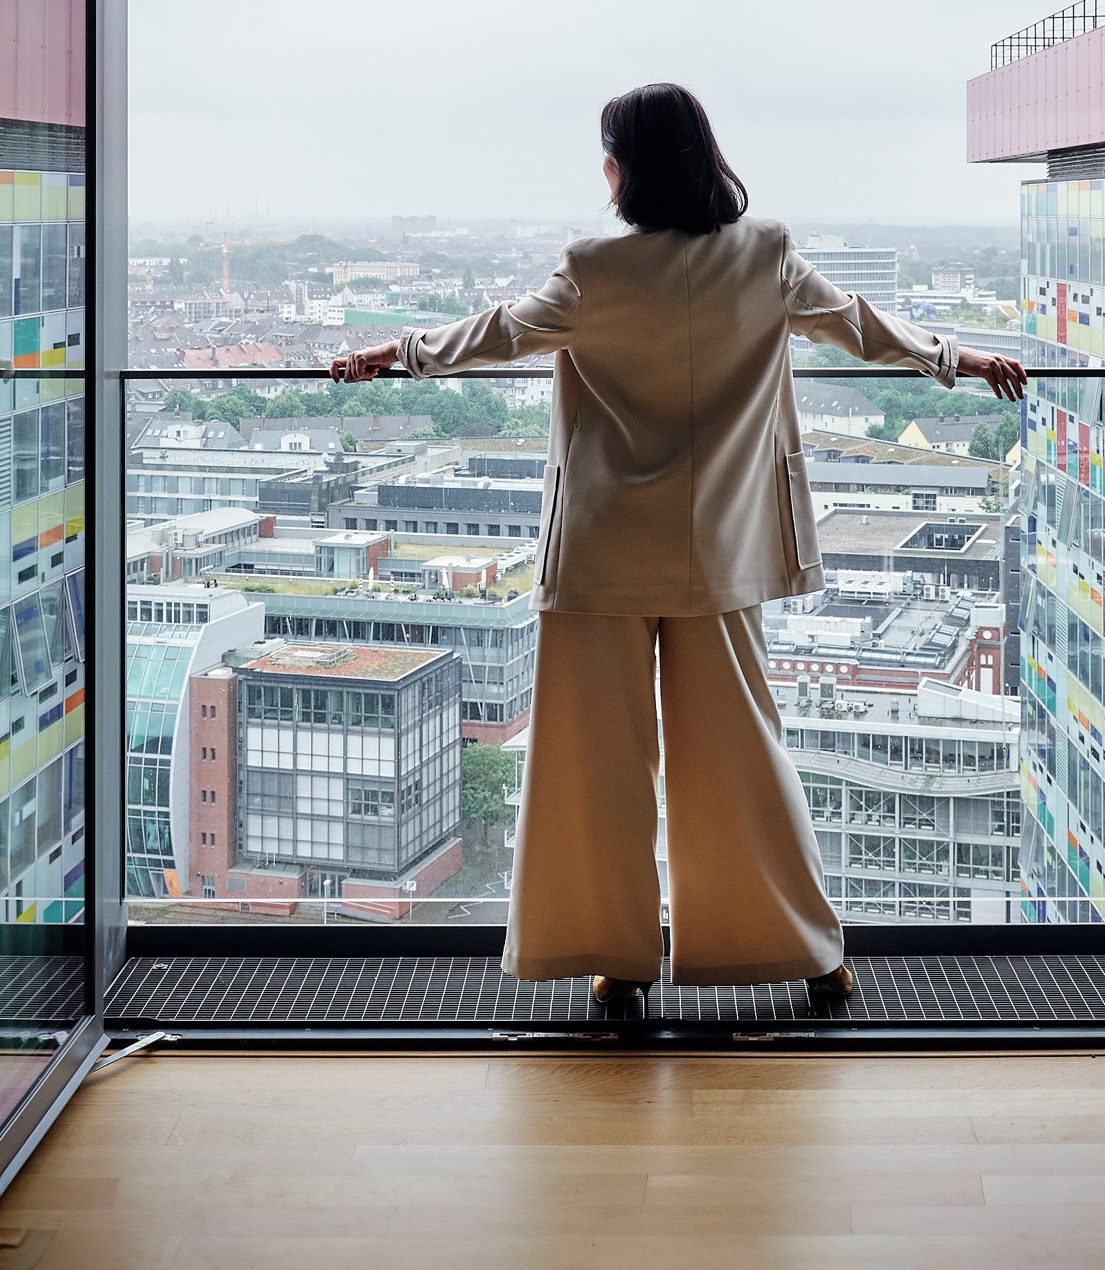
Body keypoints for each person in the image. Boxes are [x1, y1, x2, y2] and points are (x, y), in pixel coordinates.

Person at [332, 84, 1027, 1008]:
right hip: (720, 552)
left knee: (595, 764)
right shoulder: (764, 254)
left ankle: (615, 959)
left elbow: (498, 333)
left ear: (625, 168)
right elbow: (858, 327)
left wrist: (400, 353)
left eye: (609, 154)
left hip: (602, 553)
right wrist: (956, 358)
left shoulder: (594, 269)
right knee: (741, 756)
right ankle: (804, 950)